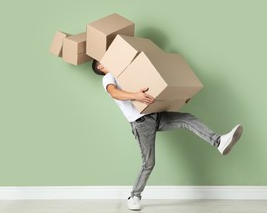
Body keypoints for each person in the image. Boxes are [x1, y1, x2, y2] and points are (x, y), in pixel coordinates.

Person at [92, 59, 243, 211]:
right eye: (103, 61)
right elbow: (114, 93)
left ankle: (219, 141)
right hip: (141, 122)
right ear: (100, 67)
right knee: (148, 163)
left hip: (155, 114)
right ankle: (134, 196)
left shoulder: (126, 73)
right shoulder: (108, 77)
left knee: (187, 118)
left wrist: (180, 97)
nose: (109, 60)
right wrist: (135, 96)